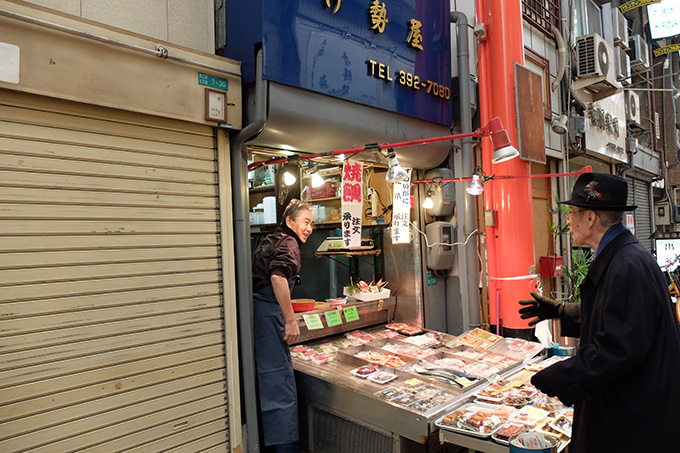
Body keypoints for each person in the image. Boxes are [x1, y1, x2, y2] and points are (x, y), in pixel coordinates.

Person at [518, 172, 680, 452]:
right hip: (634, 409)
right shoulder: (623, 256)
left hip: (635, 421)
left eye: (572, 213)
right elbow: (620, 315)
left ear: (590, 218)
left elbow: (619, 347)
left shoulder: (627, 264)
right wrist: (561, 310)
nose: (568, 220)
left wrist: (560, 375)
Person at [251, 199, 314, 453]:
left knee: (266, 381)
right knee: (280, 383)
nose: (310, 228)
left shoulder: (271, 239)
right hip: (268, 318)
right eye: (306, 222)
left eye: (312, 223)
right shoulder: (289, 243)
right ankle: (285, 448)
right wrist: (290, 320)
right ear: (290, 221)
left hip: (256, 317)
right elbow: (277, 276)